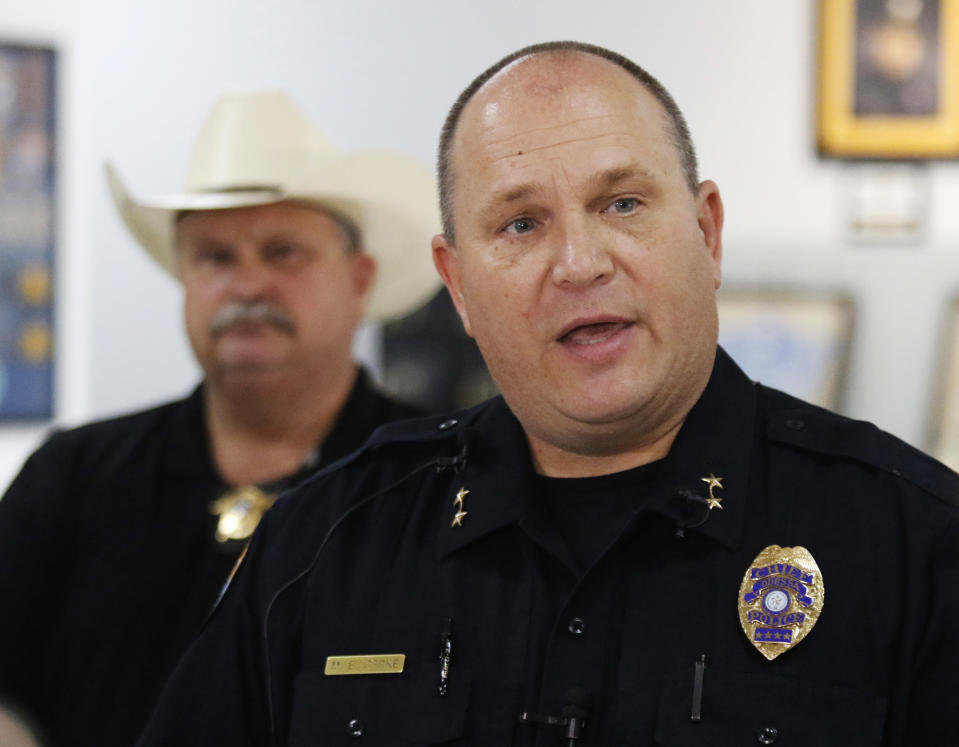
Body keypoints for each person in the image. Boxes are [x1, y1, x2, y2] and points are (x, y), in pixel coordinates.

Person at [137, 43, 959, 746]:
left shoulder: (912, 543)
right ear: (456, 284)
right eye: (520, 224)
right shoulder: (325, 545)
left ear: (706, 234)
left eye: (622, 204)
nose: (579, 262)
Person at [0, 90, 440, 747]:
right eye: (215, 257)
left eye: (282, 251)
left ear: (359, 278)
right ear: (183, 276)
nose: (247, 284)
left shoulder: (435, 478)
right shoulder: (74, 475)